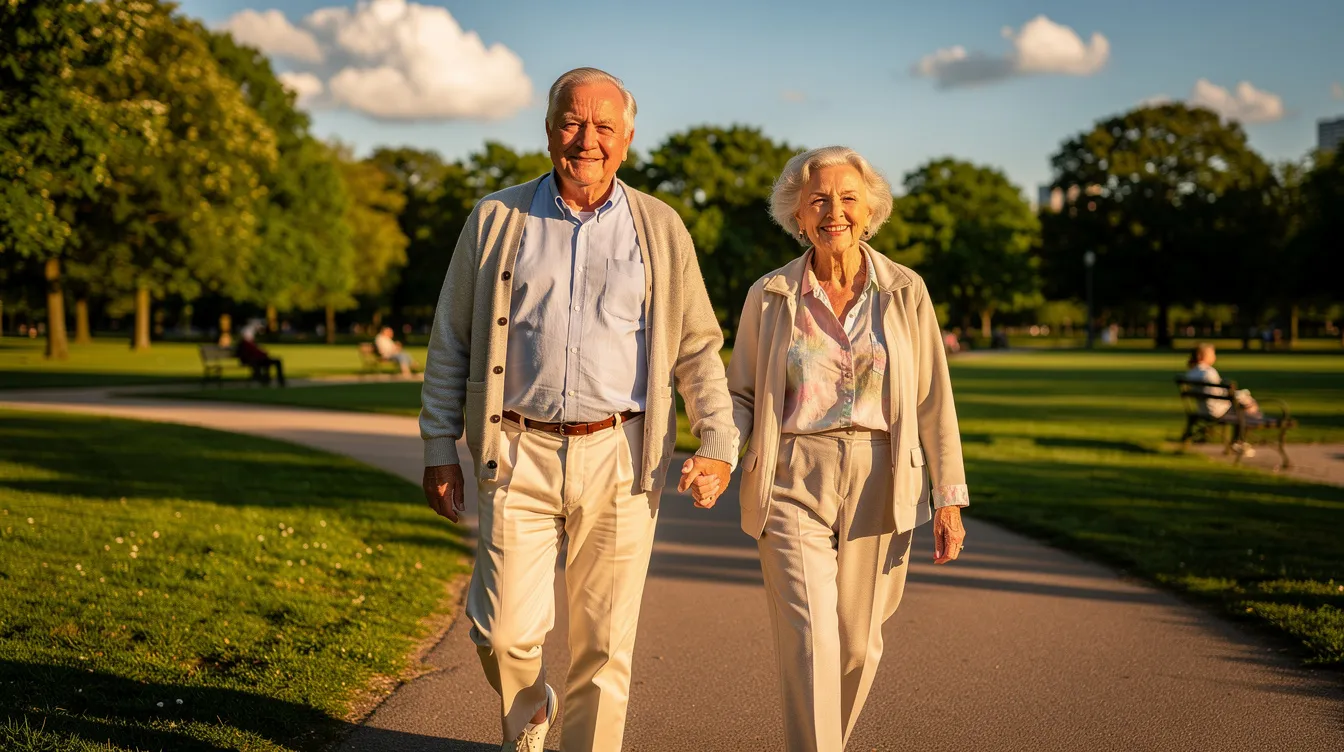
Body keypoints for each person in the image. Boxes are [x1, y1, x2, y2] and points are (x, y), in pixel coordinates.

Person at [419, 67, 737, 752]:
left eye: (602, 126)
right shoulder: (495, 218)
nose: (586, 139)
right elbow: (452, 338)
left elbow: (697, 346)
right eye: (572, 121)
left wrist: (717, 440)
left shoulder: (660, 226)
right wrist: (439, 445)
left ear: (626, 137)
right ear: (548, 128)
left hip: (621, 454)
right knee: (500, 630)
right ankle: (531, 711)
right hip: (518, 449)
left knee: (606, 645)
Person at [725, 146, 969, 752]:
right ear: (798, 217)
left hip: (882, 473)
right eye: (819, 201)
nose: (834, 211)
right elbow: (743, 393)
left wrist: (948, 496)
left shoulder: (905, 291)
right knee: (811, 636)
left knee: (857, 644)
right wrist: (717, 453)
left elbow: (933, 398)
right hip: (790, 472)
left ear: (869, 210)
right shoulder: (771, 293)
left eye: (847, 198)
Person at [1184, 342, 1262, 454]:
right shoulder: (1208, 373)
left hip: (1202, 409)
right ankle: (1239, 442)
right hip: (1216, 411)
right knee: (1246, 407)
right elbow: (1220, 394)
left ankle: (1238, 441)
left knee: (1244, 405)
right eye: (1212, 354)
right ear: (1202, 356)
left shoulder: (1191, 373)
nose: (1214, 356)